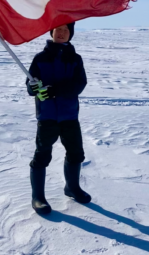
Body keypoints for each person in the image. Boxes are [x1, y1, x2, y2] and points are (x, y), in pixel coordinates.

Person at [26, 22, 91, 214]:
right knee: (42, 155)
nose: (61, 33)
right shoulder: (40, 58)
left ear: (70, 33)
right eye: (58, 29)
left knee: (76, 153)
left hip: (70, 115)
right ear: (52, 32)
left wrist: (56, 91)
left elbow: (80, 84)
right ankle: (38, 197)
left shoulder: (76, 59)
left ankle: (72, 188)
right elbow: (30, 86)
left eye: (65, 30)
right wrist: (36, 88)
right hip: (47, 116)